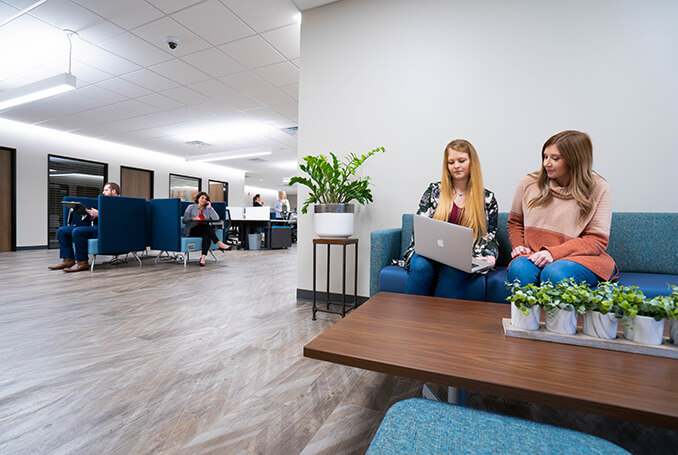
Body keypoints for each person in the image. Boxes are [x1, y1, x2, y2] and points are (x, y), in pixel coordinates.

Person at [507, 130, 616, 287]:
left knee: (553, 273)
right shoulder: (528, 183)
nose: (546, 163)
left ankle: (557, 313)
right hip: (534, 255)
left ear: (574, 160)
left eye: (555, 158)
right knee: (519, 269)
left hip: (579, 258)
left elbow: (596, 241)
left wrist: (553, 253)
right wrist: (519, 247)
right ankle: (528, 313)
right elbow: (515, 222)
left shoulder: (599, 188)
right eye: (545, 157)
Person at [403, 140, 499, 298]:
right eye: (451, 162)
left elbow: (490, 235)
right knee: (420, 266)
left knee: (453, 269)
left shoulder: (487, 198)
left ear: (472, 162)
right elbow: (420, 225)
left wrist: (490, 256)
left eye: (461, 161)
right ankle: (411, 320)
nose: (456, 166)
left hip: (462, 258)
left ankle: (441, 322)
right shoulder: (434, 191)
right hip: (429, 253)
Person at [49, 182, 121, 273]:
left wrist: (99, 214)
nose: (103, 192)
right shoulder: (104, 201)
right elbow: (95, 218)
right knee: (62, 231)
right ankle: (68, 260)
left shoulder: (119, 203)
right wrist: (85, 215)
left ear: (113, 191)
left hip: (105, 229)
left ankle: (82, 262)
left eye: (106, 190)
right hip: (94, 227)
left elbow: (117, 218)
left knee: (78, 231)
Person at [183, 191, 230, 267]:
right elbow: (184, 220)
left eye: (205, 199)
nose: (203, 200)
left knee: (206, 234)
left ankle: (203, 258)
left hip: (202, 230)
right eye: (202, 198)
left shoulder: (207, 209)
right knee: (206, 227)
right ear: (198, 199)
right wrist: (193, 218)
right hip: (191, 230)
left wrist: (210, 208)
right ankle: (219, 243)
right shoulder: (191, 207)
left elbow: (216, 218)